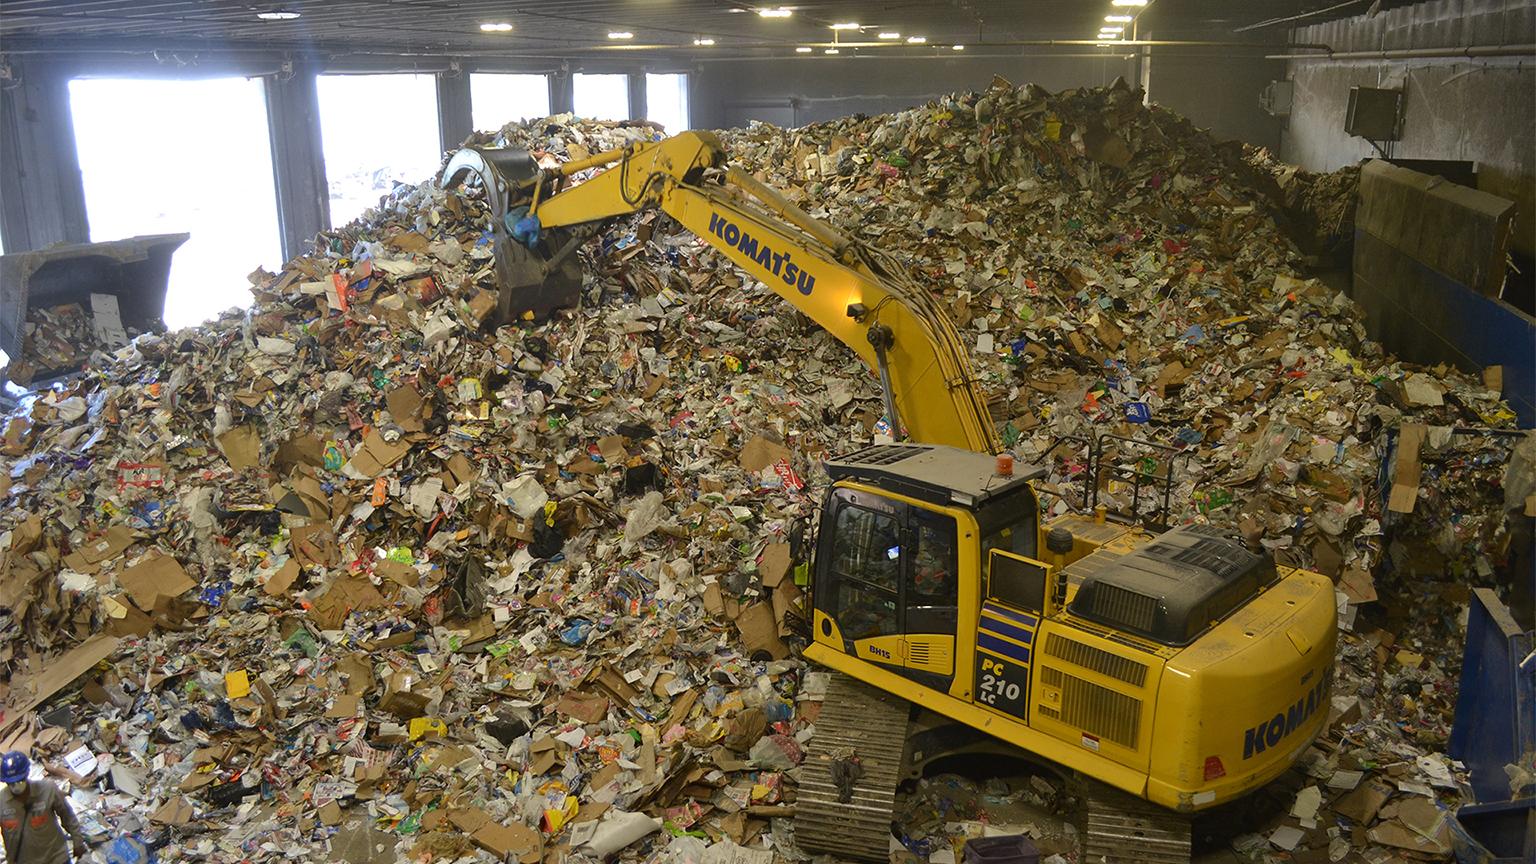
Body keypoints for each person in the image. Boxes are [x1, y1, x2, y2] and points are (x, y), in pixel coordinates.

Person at [0, 751, 87, 864]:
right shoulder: (1, 802)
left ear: (26, 775)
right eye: (11, 783)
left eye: (19, 781)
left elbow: (67, 816)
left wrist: (78, 841)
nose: (16, 787)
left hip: (55, 858)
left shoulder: (48, 789)